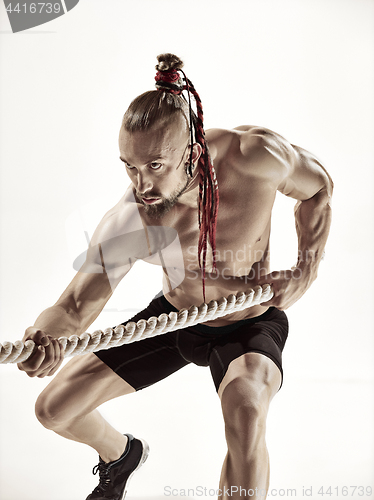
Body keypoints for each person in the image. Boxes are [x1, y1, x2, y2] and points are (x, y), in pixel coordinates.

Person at [17, 53, 333, 500]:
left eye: (155, 166)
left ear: (193, 151)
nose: (140, 184)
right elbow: (74, 305)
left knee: (244, 413)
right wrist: (45, 336)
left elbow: (318, 188)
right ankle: (121, 456)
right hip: (174, 318)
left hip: (248, 323)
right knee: (54, 410)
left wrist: (306, 271)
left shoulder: (255, 157)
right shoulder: (134, 219)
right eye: (129, 166)